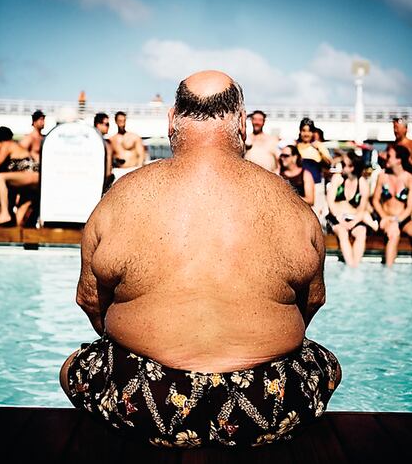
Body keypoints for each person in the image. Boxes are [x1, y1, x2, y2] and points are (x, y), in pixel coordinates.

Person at [60, 70, 340, 448]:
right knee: (326, 362)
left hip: (145, 403)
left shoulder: (122, 197)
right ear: (242, 123)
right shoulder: (291, 204)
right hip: (267, 407)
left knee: (71, 368)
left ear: (172, 119)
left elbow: (90, 300)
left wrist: (132, 339)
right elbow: (313, 301)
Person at [326, 150, 377, 267]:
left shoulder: (362, 183)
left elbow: (362, 209)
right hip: (336, 217)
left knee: (361, 232)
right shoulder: (337, 179)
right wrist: (340, 219)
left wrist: (353, 222)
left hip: (354, 218)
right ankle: (350, 265)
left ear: (353, 167)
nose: (342, 167)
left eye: (345, 165)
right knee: (343, 233)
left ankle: (355, 266)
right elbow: (330, 202)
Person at [372, 145, 412, 267]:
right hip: (385, 217)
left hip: (403, 219)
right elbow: (375, 201)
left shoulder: (409, 178)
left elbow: (410, 207)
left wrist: (396, 220)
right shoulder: (383, 177)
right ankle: (389, 273)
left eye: (389, 156)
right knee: (394, 233)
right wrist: (385, 217)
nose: (386, 158)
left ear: (399, 160)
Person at [0, 126, 39, 226]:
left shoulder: (6, 145)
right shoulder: (16, 146)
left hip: (31, 176)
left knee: (0, 177)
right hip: (34, 181)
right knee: (17, 221)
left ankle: (4, 214)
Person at [297, 118, 332, 226]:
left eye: (309, 131)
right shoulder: (296, 146)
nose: (306, 134)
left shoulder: (318, 146)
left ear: (312, 132)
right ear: (300, 131)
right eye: (303, 130)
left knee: (316, 215)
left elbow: (329, 163)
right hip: (301, 187)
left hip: (317, 185)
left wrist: (319, 150)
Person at [109, 111, 145, 180]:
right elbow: (110, 158)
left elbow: (141, 155)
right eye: (120, 121)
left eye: (124, 121)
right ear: (116, 121)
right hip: (118, 171)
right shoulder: (112, 140)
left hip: (132, 170)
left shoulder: (134, 137)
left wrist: (138, 170)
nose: (122, 124)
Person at [94, 112, 114, 192]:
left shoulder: (88, 140)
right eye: (107, 124)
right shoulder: (106, 144)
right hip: (102, 181)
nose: (108, 127)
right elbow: (108, 170)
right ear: (98, 124)